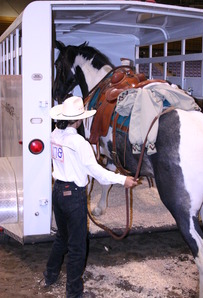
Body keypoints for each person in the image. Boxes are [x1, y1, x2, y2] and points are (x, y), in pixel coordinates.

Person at [43, 96, 138, 298]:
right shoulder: (78, 142)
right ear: (77, 120)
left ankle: (50, 275)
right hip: (73, 196)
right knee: (77, 246)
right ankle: (74, 293)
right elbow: (97, 172)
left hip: (58, 191)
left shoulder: (53, 135)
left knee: (62, 237)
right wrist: (123, 180)